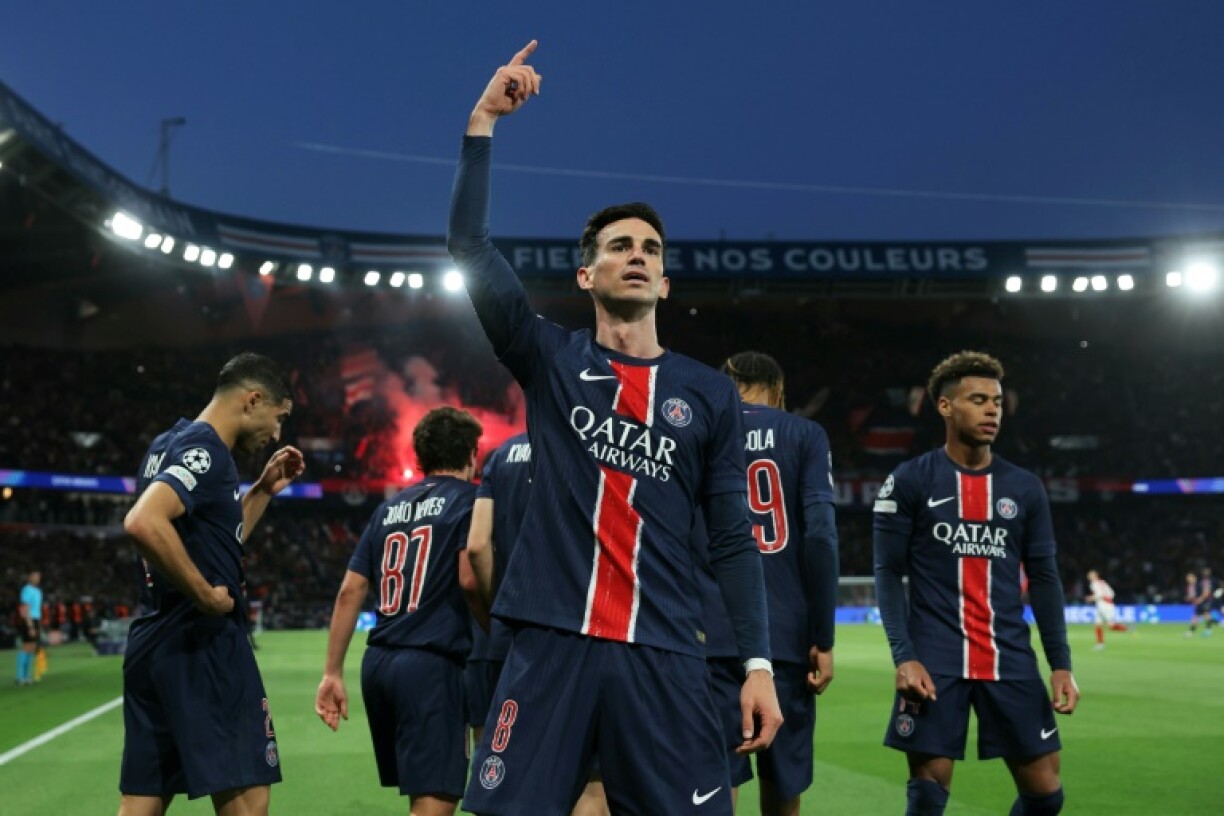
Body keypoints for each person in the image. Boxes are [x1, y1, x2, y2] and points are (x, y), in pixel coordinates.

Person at [449, 41, 781, 815]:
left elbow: (733, 536)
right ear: (586, 274)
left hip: (665, 653)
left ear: (665, 281)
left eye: (651, 250)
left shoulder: (708, 394)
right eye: (619, 247)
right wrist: (482, 123)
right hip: (550, 645)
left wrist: (758, 664)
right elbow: (469, 247)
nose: (637, 256)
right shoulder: (549, 358)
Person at [873, 351, 1079, 816]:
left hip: (1008, 654)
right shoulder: (909, 481)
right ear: (945, 407)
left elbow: (1044, 579)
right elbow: (888, 572)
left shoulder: (1024, 488)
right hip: (935, 659)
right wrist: (904, 656)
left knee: (1046, 794)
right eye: (979, 399)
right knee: (927, 794)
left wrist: (1060, 664)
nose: (992, 411)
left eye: (998, 402)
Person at [118, 353, 305, 816]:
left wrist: (260, 490)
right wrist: (204, 594)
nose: (276, 435)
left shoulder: (166, 443)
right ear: (253, 400)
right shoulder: (208, 452)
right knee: (248, 795)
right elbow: (143, 522)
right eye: (278, 419)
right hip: (203, 647)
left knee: (143, 799)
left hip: (154, 644)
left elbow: (210, 537)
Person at [315, 406, 486, 816]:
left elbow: (350, 589)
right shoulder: (470, 501)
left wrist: (332, 672)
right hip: (430, 666)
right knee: (435, 801)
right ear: (470, 455)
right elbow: (469, 577)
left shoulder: (387, 510)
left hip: (378, 665)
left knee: (421, 796)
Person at [699, 352, 838, 816]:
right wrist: (823, 636)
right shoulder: (805, 434)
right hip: (785, 638)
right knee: (783, 791)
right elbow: (820, 534)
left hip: (713, 635)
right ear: (779, 391)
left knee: (716, 785)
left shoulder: (700, 432)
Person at [1084, 569, 1128, 650]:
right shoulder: (1103, 582)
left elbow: (1099, 594)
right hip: (1105, 605)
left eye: (1090, 575)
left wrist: (1091, 598)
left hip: (1105, 605)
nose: (1089, 576)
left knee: (1111, 626)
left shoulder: (1094, 584)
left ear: (1095, 576)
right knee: (1097, 624)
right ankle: (1100, 644)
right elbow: (1112, 593)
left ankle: (1127, 629)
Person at [15, 570, 42, 686]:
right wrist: (30, 625)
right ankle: (20, 676)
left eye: (38, 577)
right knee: (26, 647)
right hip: (28, 619)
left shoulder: (38, 591)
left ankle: (26, 675)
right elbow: (26, 608)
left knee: (32, 647)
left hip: (35, 619)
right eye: (35, 576)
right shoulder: (26, 590)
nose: (37, 578)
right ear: (29, 577)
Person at [1186, 567, 1217, 637]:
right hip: (1198, 603)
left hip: (1205, 602)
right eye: (1187, 578)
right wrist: (1190, 598)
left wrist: (1200, 599)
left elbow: (1206, 592)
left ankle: (1208, 630)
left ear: (1194, 577)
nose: (1188, 579)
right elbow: (1192, 596)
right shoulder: (1190, 586)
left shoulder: (1200, 583)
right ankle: (1191, 632)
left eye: (1189, 577)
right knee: (1195, 617)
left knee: (1206, 615)